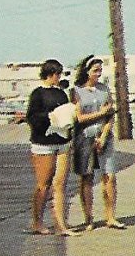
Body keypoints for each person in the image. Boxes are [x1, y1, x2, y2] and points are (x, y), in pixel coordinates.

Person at [25, 59, 77, 235]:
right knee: (43, 184)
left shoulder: (61, 94)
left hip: (62, 140)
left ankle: (60, 224)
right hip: (43, 143)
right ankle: (37, 222)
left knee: (60, 183)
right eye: (58, 74)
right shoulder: (38, 94)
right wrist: (49, 116)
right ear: (51, 74)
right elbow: (31, 117)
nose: (59, 77)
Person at [71, 55, 122, 229]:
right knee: (87, 178)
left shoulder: (104, 89)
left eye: (100, 70)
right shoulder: (77, 91)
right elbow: (79, 117)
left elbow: (111, 114)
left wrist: (104, 135)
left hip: (104, 137)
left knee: (110, 176)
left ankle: (110, 216)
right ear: (86, 71)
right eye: (95, 70)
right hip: (84, 138)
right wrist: (101, 113)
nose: (98, 74)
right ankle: (89, 218)